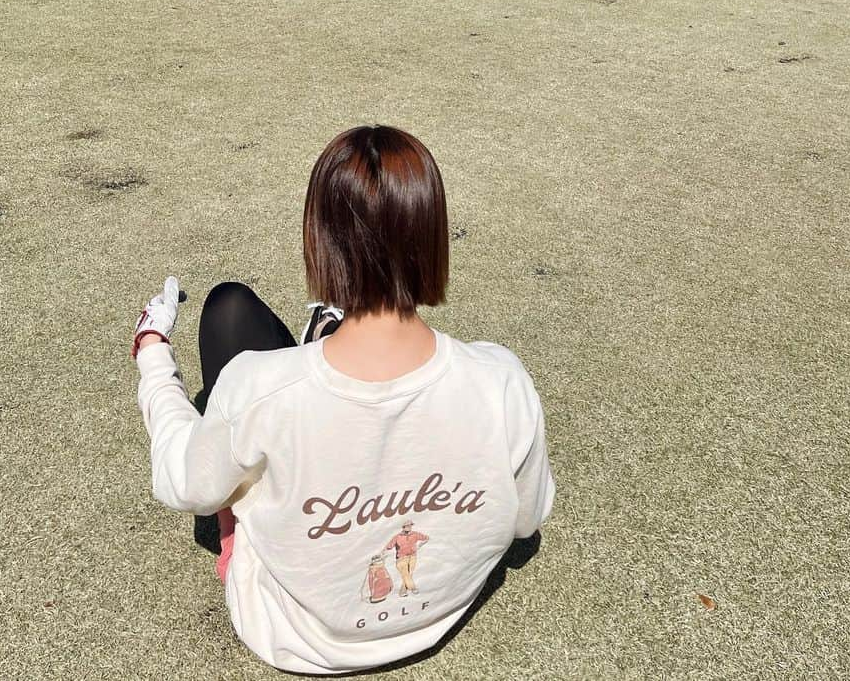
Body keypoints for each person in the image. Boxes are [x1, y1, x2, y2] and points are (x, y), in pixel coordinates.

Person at [133, 124, 554, 674]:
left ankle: (328, 337)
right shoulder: (501, 379)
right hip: (439, 614)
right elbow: (525, 520)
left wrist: (153, 355)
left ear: (319, 239)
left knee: (227, 313)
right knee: (247, 342)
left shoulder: (257, 388)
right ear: (433, 236)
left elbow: (182, 482)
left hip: (292, 633)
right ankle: (328, 334)